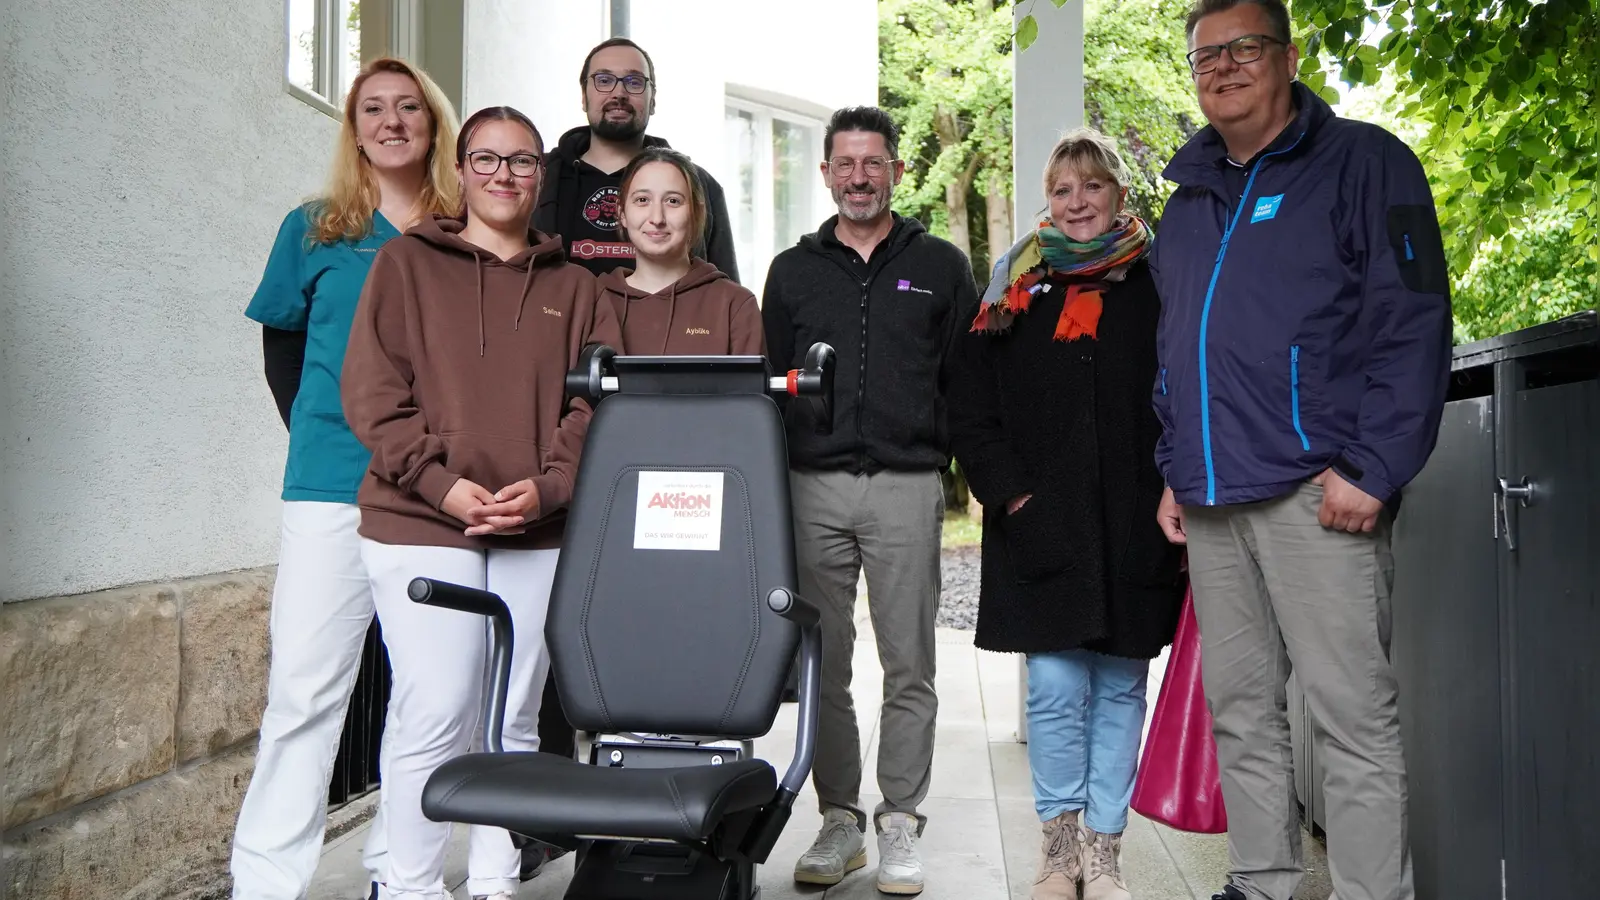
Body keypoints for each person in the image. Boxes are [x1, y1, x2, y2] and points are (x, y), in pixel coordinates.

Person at [1151, 2, 1452, 899]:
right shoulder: (1189, 198)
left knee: (1351, 718)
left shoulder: (1365, 164)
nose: (1224, 67)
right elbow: (1177, 345)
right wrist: (1174, 462)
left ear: (1288, 57)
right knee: (1240, 713)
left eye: (1245, 48)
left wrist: (1374, 466)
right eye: (1207, 55)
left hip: (1319, 494)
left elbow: (1413, 322)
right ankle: (1264, 879)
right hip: (1210, 496)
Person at [340, 105, 623, 900]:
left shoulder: (577, 286)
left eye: (523, 161)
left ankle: (495, 882)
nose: (504, 175)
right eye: (488, 159)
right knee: (436, 708)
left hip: (537, 529)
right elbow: (373, 394)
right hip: (420, 521)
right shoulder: (405, 266)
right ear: (461, 171)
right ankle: (410, 886)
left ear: (542, 175)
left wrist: (548, 490)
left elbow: (594, 408)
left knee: (515, 718)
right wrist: (441, 484)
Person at [231, 57, 460, 900]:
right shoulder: (316, 227)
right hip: (329, 487)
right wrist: (323, 435)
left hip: (433, 494)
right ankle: (263, 881)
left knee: (429, 698)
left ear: (434, 125)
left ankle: (397, 873)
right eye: (373, 108)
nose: (392, 120)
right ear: (353, 126)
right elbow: (282, 346)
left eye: (409, 107)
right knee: (303, 693)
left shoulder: (464, 228)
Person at [952, 128, 1185, 900]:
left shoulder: (1159, 279)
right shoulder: (1014, 281)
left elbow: (1185, 385)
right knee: (1053, 687)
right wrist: (1009, 490)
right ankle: (1058, 852)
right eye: (1062, 188)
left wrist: (1174, 483)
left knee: (1120, 688)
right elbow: (970, 397)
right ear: (1046, 198)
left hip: (1134, 520)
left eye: (1092, 186)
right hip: (1040, 519)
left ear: (1119, 193)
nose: (1077, 202)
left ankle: (1105, 853)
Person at [762, 105, 977, 897]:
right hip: (810, 484)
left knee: (910, 664)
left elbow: (964, 379)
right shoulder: (792, 270)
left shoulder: (942, 266)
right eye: (845, 163)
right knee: (824, 664)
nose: (859, 176)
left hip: (908, 485)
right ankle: (840, 820)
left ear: (894, 171)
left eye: (873, 162)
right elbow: (770, 383)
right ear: (826, 173)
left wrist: (956, 465)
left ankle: (900, 822)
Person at [534, 37, 739, 282]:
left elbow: (725, 296)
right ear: (583, 96)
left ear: (652, 100)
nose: (619, 93)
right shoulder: (537, 177)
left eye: (634, 82)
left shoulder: (698, 185)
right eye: (604, 80)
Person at [597, 146, 764, 355]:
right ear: (622, 213)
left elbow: (749, 388)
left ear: (696, 213)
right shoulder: (593, 301)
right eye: (642, 200)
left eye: (673, 201)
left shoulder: (735, 305)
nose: (657, 218)